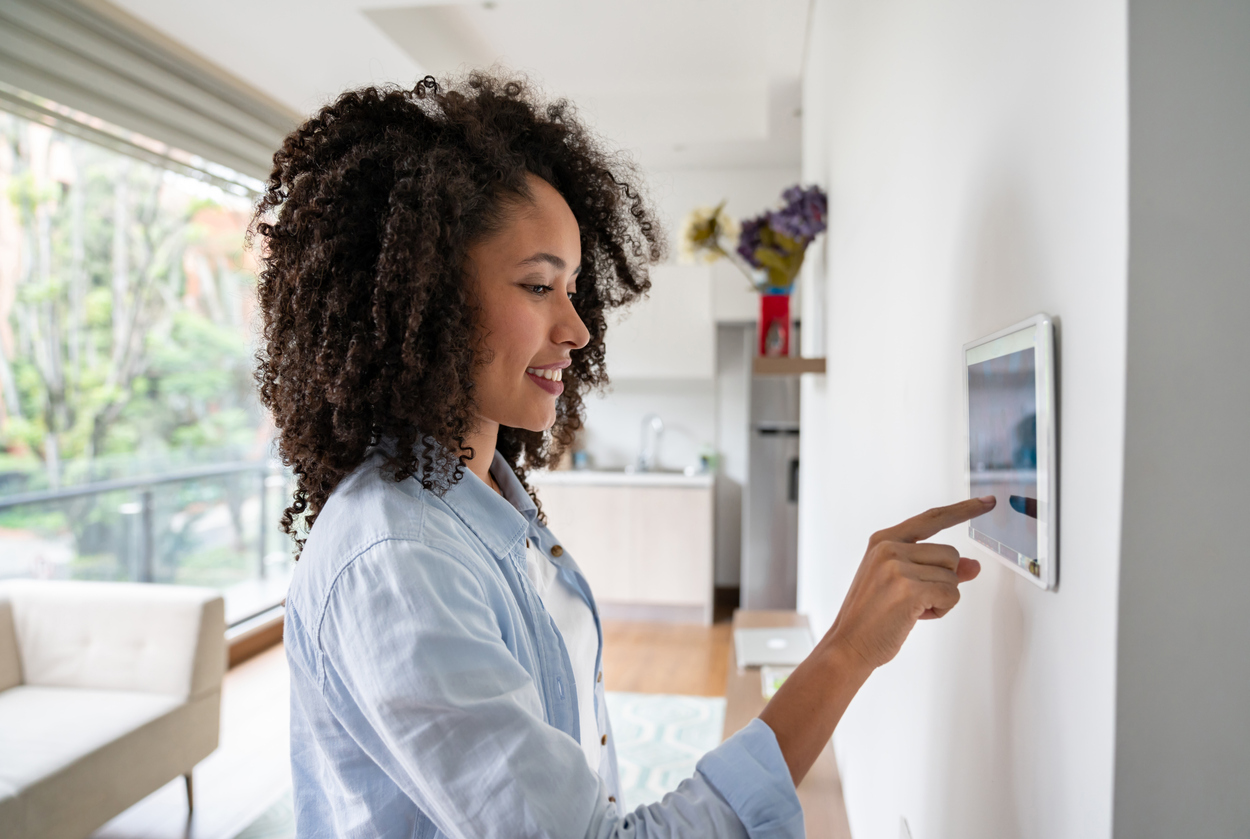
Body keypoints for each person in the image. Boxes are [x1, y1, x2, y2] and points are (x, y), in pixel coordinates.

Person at [252, 73, 994, 839]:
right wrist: (844, 652)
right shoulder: (398, 561)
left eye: (573, 287)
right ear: (423, 294)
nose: (576, 328)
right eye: (539, 284)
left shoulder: (486, 501)